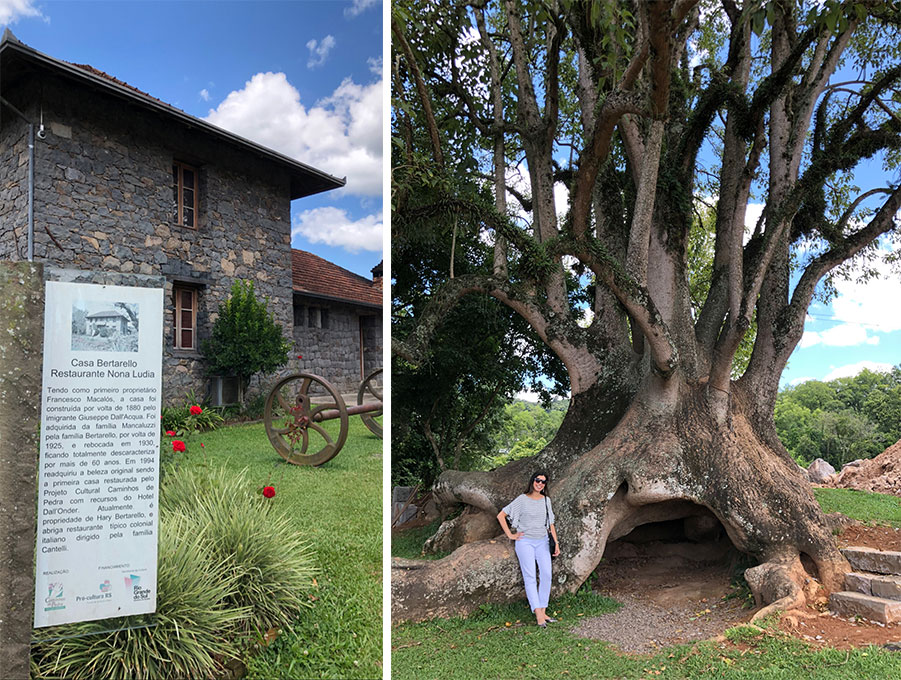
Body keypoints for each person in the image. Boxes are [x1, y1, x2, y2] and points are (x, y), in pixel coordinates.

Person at [496, 471, 560, 627]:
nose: (540, 483)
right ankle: (538, 614)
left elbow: (550, 524)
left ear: (545, 485)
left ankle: (543, 611)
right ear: (532, 481)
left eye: (543, 482)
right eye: (537, 480)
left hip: (543, 541)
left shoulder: (546, 501)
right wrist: (511, 535)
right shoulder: (522, 500)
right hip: (525, 542)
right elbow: (501, 515)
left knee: (546, 574)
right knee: (530, 576)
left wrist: (556, 543)